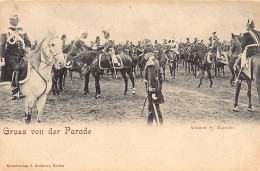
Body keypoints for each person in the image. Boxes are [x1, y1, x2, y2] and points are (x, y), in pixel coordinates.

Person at [0, 13, 31, 100]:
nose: (11, 20)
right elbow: (1, 45)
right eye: (10, 19)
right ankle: (15, 91)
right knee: (16, 68)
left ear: (18, 20)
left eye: (13, 19)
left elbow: (28, 42)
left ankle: (25, 87)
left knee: (27, 66)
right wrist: (2, 58)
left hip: (21, 55)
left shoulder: (22, 31)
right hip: (10, 55)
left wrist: (28, 47)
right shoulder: (5, 31)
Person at [143, 39, 164, 125]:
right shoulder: (156, 62)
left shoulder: (150, 63)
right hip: (157, 87)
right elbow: (160, 76)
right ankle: (149, 124)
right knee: (151, 107)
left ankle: (160, 124)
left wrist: (152, 92)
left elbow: (151, 78)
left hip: (153, 88)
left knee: (155, 107)